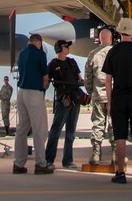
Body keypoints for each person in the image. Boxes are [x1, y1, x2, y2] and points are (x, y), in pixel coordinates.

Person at [102, 17, 132, 185]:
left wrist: (109, 103)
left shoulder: (113, 51)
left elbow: (108, 80)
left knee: (120, 137)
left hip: (118, 98)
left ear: (120, 32)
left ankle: (121, 173)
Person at [13, 33, 53, 175]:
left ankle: (18, 163)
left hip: (21, 92)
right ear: (40, 42)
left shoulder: (21, 54)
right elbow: (45, 77)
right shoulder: (40, 54)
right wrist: (44, 87)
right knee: (39, 129)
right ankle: (40, 164)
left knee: (22, 128)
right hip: (34, 93)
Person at [45, 40, 84, 169]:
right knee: (55, 130)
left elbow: (79, 78)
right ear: (59, 49)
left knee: (71, 132)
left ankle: (68, 161)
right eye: (66, 46)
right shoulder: (52, 64)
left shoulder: (72, 62)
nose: (68, 48)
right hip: (63, 101)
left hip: (75, 100)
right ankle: (49, 160)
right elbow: (46, 81)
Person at [84, 27, 115, 165]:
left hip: (98, 95)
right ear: (111, 39)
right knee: (114, 125)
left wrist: (91, 92)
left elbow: (88, 77)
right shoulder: (116, 52)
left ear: (100, 39)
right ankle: (115, 154)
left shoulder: (93, 54)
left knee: (98, 125)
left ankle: (96, 154)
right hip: (114, 96)